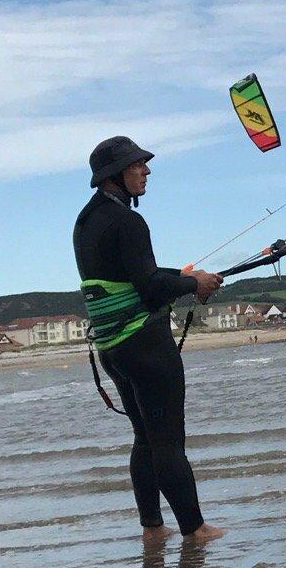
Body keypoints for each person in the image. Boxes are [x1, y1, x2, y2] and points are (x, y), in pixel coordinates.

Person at [73, 136, 226, 546]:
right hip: (145, 345)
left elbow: (136, 273)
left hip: (113, 350)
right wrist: (194, 283)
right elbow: (150, 286)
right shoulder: (128, 220)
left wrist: (186, 277)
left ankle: (153, 527)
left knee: (145, 437)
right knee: (168, 440)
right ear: (115, 174)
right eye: (138, 164)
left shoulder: (86, 221)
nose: (146, 170)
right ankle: (196, 529)